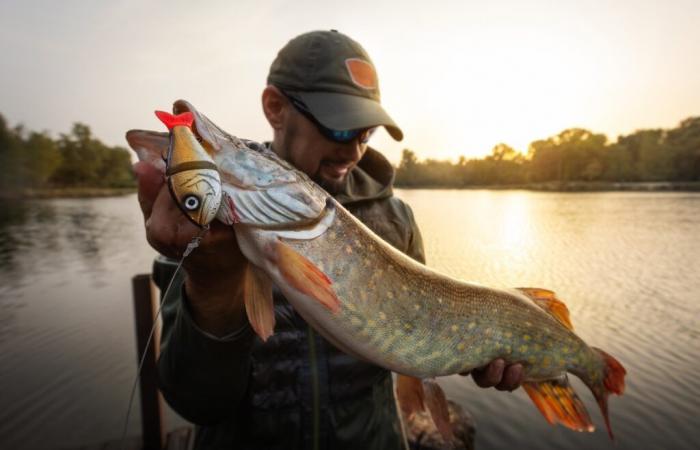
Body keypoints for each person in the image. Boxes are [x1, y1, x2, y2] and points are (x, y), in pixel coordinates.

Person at [133, 30, 523, 450]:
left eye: (366, 134)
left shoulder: (397, 218)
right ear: (275, 107)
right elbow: (195, 401)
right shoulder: (205, 222)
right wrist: (214, 283)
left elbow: (422, 334)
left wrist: (470, 352)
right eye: (339, 130)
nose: (353, 150)